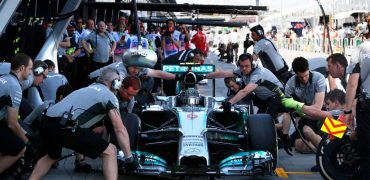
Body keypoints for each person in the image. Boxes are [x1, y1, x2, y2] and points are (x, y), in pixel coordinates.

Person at [29, 68, 138, 180]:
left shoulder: (89, 88)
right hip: (64, 126)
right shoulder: (109, 96)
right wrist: (128, 157)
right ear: (115, 83)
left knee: (51, 157)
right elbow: (119, 128)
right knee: (111, 151)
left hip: (47, 121)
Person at [205, 53, 285, 118]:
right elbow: (224, 73)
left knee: (261, 121)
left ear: (253, 65)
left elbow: (245, 91)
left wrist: (229, 103)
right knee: (258, 120)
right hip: (266, 98)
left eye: (247, 66)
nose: (244, 69)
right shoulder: (241, 70)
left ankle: (280, 134)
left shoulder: (258, 74)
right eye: (241, 66)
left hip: (278, 96)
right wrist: (204, 76)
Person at [282, 57, 326, 154]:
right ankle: (321, 148)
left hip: (323, 114)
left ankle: (327, 154)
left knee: (307, 131)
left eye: (306, 75)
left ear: (309, 69)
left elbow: (317, 108)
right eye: (301, 77)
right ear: (295, 73)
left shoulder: (319, 78)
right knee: (298, 145)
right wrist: (285, 135)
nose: (304, 79)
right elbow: (287, 113)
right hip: (306, 116)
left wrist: (296, 106)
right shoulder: (290, 84)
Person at [0, 53, 33, 173]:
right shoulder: (14, 86)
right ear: (21, 68)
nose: (30, 73)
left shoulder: (4, 78)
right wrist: (27, 142)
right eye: (30, 69)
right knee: (19, 147)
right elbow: (12, 123)